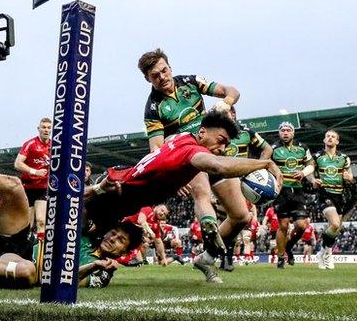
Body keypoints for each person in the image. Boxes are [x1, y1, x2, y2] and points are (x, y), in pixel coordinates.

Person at [84, 110, 283, 283]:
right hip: (110, 200)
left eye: (226, 144)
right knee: (72, 236)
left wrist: (174, 176)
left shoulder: (183, 138)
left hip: (118, 200)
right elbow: (218, 166)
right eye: (221, 141)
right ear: (202, 132)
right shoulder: (192, 151)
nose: (222, 148)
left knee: (87, 247)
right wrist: (264, 164)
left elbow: (168, 146)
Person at [0, 136, 142, 288]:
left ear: (125, 252)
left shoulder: (102, 272)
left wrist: (94, 265)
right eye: (115, 233)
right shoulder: (90, 233)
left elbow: (69, 281)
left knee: (28, 272)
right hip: (22, 243)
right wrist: (99, 188)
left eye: (121, 240)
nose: (113, 238)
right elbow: (73, 200)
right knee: (14, 185)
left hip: (25, 268)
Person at [137, 49, 257, 282]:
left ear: (170, 67)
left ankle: (206, 257)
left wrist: (226, 103)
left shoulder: (191, 83)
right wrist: (174, 177)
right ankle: (209, 225)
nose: (162, 77)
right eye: (155, 75)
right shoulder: (152, 108)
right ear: (148, 79)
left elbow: (232, 90)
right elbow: (157, 148)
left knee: (242, 216)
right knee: (201, 192)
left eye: (164, 70)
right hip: (189, 155)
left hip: (215, 151)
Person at [220, 105, 272, 271]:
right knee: (223, 219)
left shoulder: (246, 132)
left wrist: (259, 167)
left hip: (240, 182)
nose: (222, 116)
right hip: (219, 181)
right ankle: (218, 255)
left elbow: (267, 148)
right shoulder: (214, 133)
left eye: (225, 113)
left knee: (235, 219)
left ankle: (225, 258)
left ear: (233, 114)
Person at [262, 121, 314, 269]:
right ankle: (280, 257)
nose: (285, 133)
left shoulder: (302, 148)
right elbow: (264, 163)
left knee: (301, 226)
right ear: (279, 133)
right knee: (283, 225)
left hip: (298, 190)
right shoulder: (273, 148)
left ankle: (289, 247)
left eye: (288, 130)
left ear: (293, 133)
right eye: (282, 130)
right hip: (281, 191)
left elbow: (311, 164)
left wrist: (303, 173)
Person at [312, 129, 354, 270]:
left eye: (333, 137)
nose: (330, 138)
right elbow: (308, 170)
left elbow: (350, 177)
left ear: (337, 141)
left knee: (336, 229)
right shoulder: (317, 156)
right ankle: (327, 253)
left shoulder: (344, 158)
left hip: (340, 195)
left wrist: (350, 178)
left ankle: (323, 252)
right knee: (335, 223)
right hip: (324, 194)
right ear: (324, 140)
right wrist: (312, 179)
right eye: (327, 136)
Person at [14, 117, 52, 241]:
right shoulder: (31, 144)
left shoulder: (54, 146)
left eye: (48, 128)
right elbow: (17, 164)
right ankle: (24, 250)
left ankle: (41, 254)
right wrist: (35, 171)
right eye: (44, 127)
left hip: (43, 188)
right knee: (27, 224)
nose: (46, 130)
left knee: (41, 221)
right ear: (38, 129)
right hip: (27, 187)